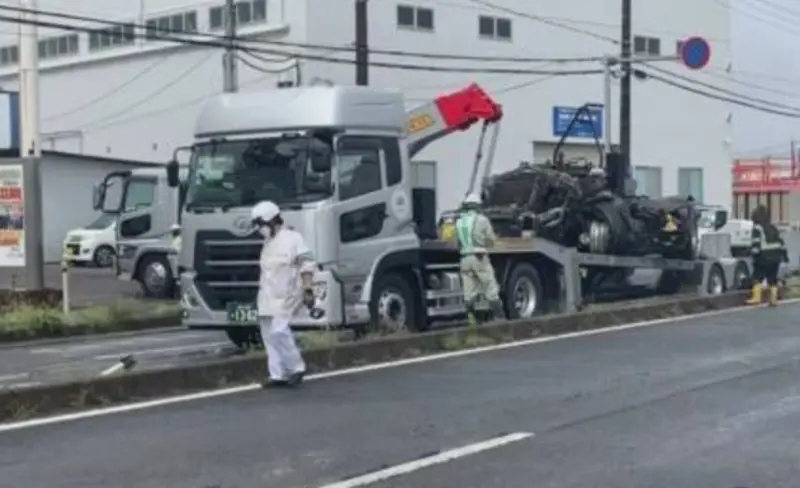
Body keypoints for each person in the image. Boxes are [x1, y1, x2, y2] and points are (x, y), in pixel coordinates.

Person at [250, 200, 316, 387]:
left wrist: (308, 288)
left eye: (261, 225)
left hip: (288, 293)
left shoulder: (293, 238)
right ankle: (277, 374)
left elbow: (307, 264)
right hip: (267, 295)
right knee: (268, 336)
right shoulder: (267, 243)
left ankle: (296, 367)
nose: (259, 229)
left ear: (272, 221)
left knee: (279, 331)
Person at [455, 193, 506, 326]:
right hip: (479, 257)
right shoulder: (482, 220)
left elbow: (458, 243)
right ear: (477, 206)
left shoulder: (459, 222)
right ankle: (499, 317)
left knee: (469, 292)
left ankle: (471, 319)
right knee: (491, 287)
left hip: (465, 259)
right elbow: (491, 241)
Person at [746, 205, 788, 307]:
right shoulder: (773, 227)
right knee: (772, 278)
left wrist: (753, 254)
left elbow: (756, 244)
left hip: (763, 257)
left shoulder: (757, 229)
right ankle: (773, 300)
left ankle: (756, 298)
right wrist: (785, 256)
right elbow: (781, 243)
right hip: (776, 257)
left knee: (757, 277)